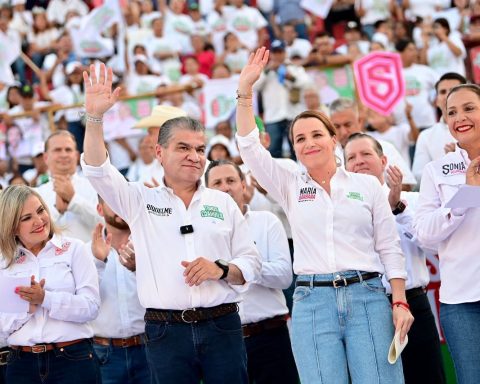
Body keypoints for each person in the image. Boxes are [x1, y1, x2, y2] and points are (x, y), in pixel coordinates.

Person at [235, 47, 413, 384]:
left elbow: (390, 248)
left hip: (368, 297)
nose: (308, 143)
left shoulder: (367, 185)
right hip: (311, 302)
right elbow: (248, 146)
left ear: (334, 139)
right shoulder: (287, 182)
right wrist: (245, 92)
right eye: (299, 138)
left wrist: (400, 302)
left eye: (317, 134)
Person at [80, 63, 261, 384]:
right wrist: (94, 120)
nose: (194, 155)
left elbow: (251, 263)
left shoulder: (222, 202)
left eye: (199, 149)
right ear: (159, 152)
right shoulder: (139, 200)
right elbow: (97, 170)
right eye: (183, 147)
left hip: (222, 325)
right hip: (165, 332)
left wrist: (220, 269)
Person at [344, 133, 446, 384]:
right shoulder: (340, 211)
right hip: (366, 311)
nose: (359, 162)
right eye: (351, 158)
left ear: (383, 160)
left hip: (413, 305)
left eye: (366, 154)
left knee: (428, 377)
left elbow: (432, 246)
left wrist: (397, 208)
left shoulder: (412, 201)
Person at [205, 159, 298, 383]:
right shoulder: (200, 234)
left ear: (243, 186)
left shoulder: (267, 222)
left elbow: (285, 276)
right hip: (223, 340)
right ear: (206, 192)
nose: (225, 187)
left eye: (231, 180)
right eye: (217, 183)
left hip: (270, 336)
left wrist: (239, 269)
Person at [0, 185, 101, 383]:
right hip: (20, 365)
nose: (39, 221)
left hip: (73, 360)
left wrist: (46, 298)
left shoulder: (74, 249)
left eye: (40, 210)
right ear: (12, 226)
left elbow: (91, 307)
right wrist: (26, 310)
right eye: (26, 218)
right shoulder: (4, 263)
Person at [414, 84, 480, 384]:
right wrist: (466, 195)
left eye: (469, 108)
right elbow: (425, 234)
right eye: (451, 112)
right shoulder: (436, 170)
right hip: (462, 304)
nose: (459, 117)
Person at [89, 196, 151, 384]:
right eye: (112, 200)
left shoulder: (151, 246)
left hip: (149, 349)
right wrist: (98, 261)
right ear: (100, 209)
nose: (119, 205)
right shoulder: (86, 252)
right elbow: (84, 300)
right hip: (103, 354)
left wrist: (139, 268)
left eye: (122, 199)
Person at [329, 97, 418, 188]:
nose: (343, 131)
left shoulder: (384, 147)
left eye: (347, 125)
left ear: (360, 121)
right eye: (337, 126)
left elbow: (405, 185)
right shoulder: (328, 155)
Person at [36, 131, 101, 242]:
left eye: (68, 150)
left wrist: (73, 200)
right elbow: (32, 233)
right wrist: (57, 210)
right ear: (46, 157)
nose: (64, 154)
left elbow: (107, 224)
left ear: (76, 156)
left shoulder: (94, 186)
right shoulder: (36, 194)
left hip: (91, 258)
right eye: (57, 150)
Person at [412, 72, 467, 182]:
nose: (447, 95)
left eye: (453, 90)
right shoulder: (426, 136)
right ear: (436, 100)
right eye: (442, 92)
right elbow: (418, 176)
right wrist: (448, 165)